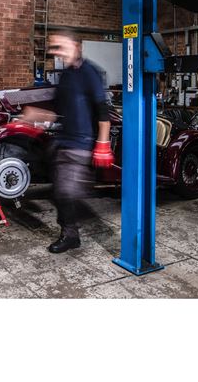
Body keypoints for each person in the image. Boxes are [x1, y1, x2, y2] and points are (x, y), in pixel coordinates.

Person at [22, 32, 115, 253]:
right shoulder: (66, 76)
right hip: (63, 140)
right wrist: (36, 114)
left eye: (61, 47)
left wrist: (103, 144)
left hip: (81, 143)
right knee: (57, 188)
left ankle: (71, 235)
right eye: (55, 48)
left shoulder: (89, 72)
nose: (57, 52)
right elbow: (59, 110)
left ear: (76, 46)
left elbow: (103, 110)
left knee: (64, 192)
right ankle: (71, 227)